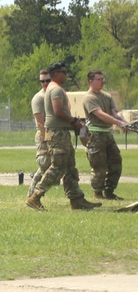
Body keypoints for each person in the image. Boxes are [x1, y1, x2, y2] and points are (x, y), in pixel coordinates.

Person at [26, 62, 101, 211]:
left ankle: (76, 200)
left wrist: (75, 123)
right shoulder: (55, 90)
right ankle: (35, 196)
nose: (66, 74)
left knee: (70, 168)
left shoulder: (56, 89)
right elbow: (58, 111)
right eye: (63, 72)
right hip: (57, 134)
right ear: (56, 74)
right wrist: (74, 121)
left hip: (62, 132)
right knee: (57, 167)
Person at [82, 70, 129, 200]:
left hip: (108, 134)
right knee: (99, 167)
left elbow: (115, 112)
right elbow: (100, 114)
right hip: (95, 135)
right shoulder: (89, 98)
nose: (103, 82)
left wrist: (125, 122)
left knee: (116, 163)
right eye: (99, 79)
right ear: (90, 81)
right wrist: (118, 123)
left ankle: (109, 192)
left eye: (103, 79)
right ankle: (98, 193)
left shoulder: (107, 96)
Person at [26, 69, 52, 195]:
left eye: (48, 80)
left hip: (55, 133)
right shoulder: (39, 98)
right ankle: (32, 192)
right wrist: (47, 139)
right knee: (44, 165)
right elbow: (40, 123)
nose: (45, 83)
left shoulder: (54, 95)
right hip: (44, 134)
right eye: (42, 81)